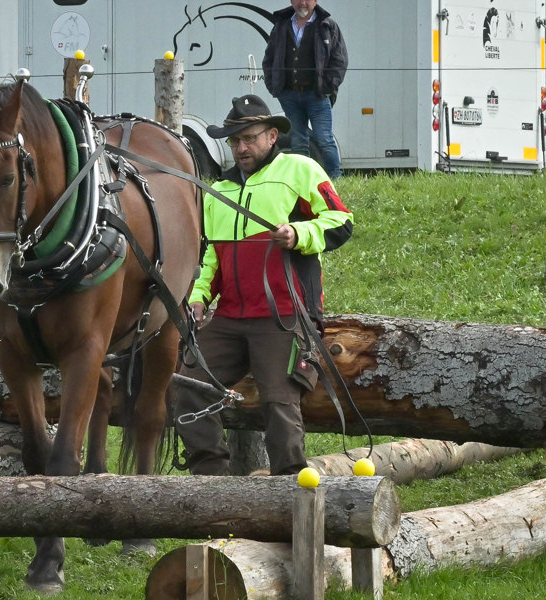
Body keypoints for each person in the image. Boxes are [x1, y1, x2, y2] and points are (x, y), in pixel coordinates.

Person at [174, 95, 353, 476]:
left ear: (272, 136)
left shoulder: (301, 170)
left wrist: (300, 232)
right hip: (230, 318)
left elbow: (341, 221)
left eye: (249, 138)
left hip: (285, 315)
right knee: (187, 386)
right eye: (235, 141)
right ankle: (213, 486)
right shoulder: (218, 190)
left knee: (278, 401)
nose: (241, 148)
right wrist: (200, 297)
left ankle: (290, 491)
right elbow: (212, 256)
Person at [262, 0, 348, 179]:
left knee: (324, 139)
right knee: (298, 142)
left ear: (315, 1)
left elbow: (339, 60)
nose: (303, 3)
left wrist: (326, 87)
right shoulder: (281, 25)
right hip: (289, 95)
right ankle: (304, 180)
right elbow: (269, 58)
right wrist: (274, 86)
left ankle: (336, 180)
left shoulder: (327, 25)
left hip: (317, 95)